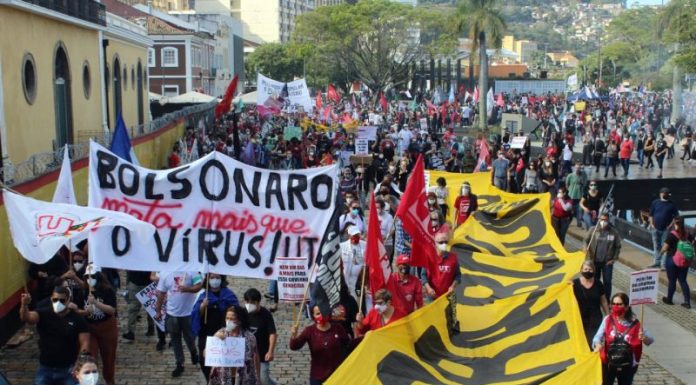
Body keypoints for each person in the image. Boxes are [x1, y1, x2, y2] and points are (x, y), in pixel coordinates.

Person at [20, 286, 90, 385]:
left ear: (69, 300)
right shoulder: (43, 313)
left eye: (62, 300)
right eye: (55, 299)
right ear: (51, 299)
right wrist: (24, 305)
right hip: (46, 368)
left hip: (68, 368)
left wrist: (79, 363)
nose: (58, 303)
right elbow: (27, 318)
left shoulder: (78, 319)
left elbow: (85, 343)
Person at [592, 292, 654, 385]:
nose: (616, 306)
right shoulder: (608, 319)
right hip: (608, 363)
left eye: (619, 304)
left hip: (627, 364)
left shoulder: (635, 323)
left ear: (626, 306)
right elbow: (597, 337)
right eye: (613, 304)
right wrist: (597, 344)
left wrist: (643, 337)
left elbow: (650, 340)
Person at [191, 274, 239, 382]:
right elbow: (196, 315)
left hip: (224, 333)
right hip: (206, 334)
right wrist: (202, 306)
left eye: (217, 277)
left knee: (224, 363)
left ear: (222, 279)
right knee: (205, 362)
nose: (215, 280)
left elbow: (237, 312)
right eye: (212, 277)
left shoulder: (229, 294)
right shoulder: (203, 296)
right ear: (208, 280)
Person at [155, 272, 202, 377]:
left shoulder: (192, 270)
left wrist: (188, 289)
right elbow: (161, 293)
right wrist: (158, 310)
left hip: (188, 313)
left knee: (189, 337)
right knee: (175, 340)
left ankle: (193, 352)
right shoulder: (165, 272)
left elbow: (199, 285)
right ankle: (179, 363)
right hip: (172, 314)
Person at [290, 305, 350, 385]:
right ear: (313, 316)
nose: (321, 315)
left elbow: (348, 344)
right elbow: (294, 346)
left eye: (323, 312)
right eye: (318, 313)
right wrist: (293, 336)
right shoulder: (309, 331)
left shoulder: (337, 328)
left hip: (337, 375)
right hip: (318, 377)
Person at [82, 266, 118, 385]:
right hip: (89, 328)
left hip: (107, 327)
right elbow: (77, 309)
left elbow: (112, 310)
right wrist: (84, 311)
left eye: (92, 276)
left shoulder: (107, 290)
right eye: (87, 277)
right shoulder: (82, 290)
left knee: (108, 359)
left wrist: (96, 303)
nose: (89, 279)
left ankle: (110, 380)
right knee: (90, 358)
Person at [209, 306, 261, 385]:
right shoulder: (219, 333)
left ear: (240, 320)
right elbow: (206, 353)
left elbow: (256, 357)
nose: (228, 321)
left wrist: (258, 378)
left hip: (243, 378)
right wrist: (215, 339)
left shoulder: (249, 337)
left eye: (232, 319)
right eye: (227, 318)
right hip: (222, 378)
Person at [244, 288, 278, 385]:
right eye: (247, 301)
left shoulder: (266, 314)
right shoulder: (243, 313)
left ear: (258, 302)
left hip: (262, 353)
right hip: (246, 353)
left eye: (252, 302)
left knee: (264, 379)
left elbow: (272, 333)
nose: (249, 304)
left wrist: (270, 351)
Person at [584, 213, 622, 301]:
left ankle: (607, 300)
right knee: (594, 280)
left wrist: (614, 259)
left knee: (607, 282)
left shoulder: (614, 232)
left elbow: (618, 246)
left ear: (608, 221)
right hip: (594, 262)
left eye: (605, 220)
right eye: (601, 219)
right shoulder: (593, 230)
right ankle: (595, 298)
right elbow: (585, 240)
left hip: (607, 262)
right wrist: (585, 248)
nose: (603, 221)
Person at [572, 260, 609, 348]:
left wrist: (608, 315)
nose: (588, 271)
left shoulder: (598, 284)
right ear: (581, 270)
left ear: (594, 270)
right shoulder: (574, 284)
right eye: (585, 269)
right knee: (580, 342)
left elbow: (603, 301)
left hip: (595, 318)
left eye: (590, 269)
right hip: (579, 318)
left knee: (592, 341)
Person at [661, 217, 692, 309]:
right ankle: (687, 302)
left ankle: (669, 299)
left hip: (672, 260)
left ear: (675, 224)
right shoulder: (687, 235)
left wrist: (661, 252)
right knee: (683, 281)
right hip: (684, 262)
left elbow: (665, 248)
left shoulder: (672, 235)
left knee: (672, 281)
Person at [420, 232, 461, 302]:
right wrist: (428, 288)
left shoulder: (453, 258)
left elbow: (458, 275)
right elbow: (423, 275)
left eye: (446, 242)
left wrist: (452, 286)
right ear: (435, 243)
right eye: (441, 242)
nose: (444, 244)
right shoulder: (428, 257)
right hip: (432, 296)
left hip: (447, 296)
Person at [648, 187, 680, 268]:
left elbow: (676, 216)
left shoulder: (672, 204)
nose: (666, 194)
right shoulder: (655, 202)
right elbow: (651, 214)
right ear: (661, 194)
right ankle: (657, 262)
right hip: (655, 228)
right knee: (656, 246)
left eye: (667, 193)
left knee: (665, 246)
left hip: (666, 229)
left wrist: (670, 226)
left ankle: (663, 264)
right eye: (664, 193)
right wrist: (651, 224)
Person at [122, 269, 155, 342]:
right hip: (138, 282)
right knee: (134, 308)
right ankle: (132, 332)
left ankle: (149, 327)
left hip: (143, 282)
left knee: (145, 308)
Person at [340, 226, 366, 301]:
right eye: (354, 235)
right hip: (347, 278)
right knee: (349, 297)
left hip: (359, 279)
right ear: (349, 236)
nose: (356, 237)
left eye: (357, 235)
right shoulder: (342, 246)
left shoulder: (365, 245)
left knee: (358, 298)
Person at [565, 162, 588, 228]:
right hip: (571, 196)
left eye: (579, 168)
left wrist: (581, 182)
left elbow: (585, 184)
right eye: (577, 168)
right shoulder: (570, 175)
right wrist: (569, 190)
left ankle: (579, 223)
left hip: (580, 196)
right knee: (570, 210)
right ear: (574, 168)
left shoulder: (584, 174)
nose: (578, 169)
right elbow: (567, 184)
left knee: (580, 210)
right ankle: (568, 222)